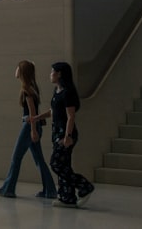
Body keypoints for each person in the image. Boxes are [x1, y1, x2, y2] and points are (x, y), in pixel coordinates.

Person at [34, 61, 95, 208]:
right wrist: (36, 118)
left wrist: (68, 136)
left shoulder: (68, 93)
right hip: (56, 134)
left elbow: (71, 116)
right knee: (64, 164)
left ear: (60, 73)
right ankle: (67, 197)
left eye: (52, 71)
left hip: (66, 134)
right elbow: (53, 112)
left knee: (56, 163)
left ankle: (84, 186)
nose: (50, 74)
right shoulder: (57, 91)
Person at [0, 60, 57, 199]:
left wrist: (33, 130)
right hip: (34, 125)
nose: (15, 70)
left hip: (29, 126)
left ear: (22, 72)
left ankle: (9, 189)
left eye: (17, 68)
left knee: (16, 158)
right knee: (39, 160)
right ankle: (50, 190)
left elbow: (32, 112)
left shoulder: (26, 89)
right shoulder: (32, 87)